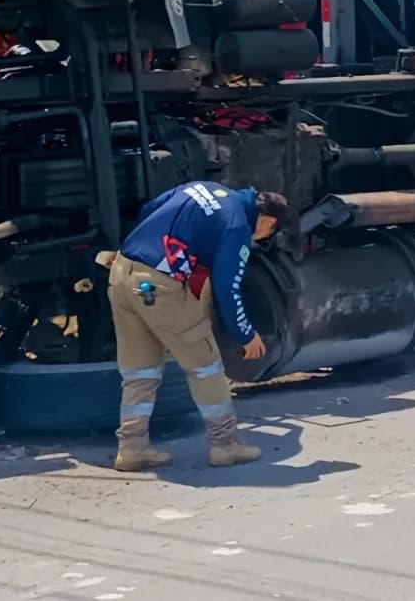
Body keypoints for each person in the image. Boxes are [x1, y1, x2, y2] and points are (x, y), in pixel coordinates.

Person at [96, 182, 287, 471]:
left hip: (123, 272)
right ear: (268, 221)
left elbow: (149, 210)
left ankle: (132, 447)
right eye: (266, 234)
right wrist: (246, 334)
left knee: (140, 371)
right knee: (205, 366)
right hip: (160, 286)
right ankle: (226, 445)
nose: (259, 238)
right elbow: (227, 287)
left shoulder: (202, 187)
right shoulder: (237, 226)